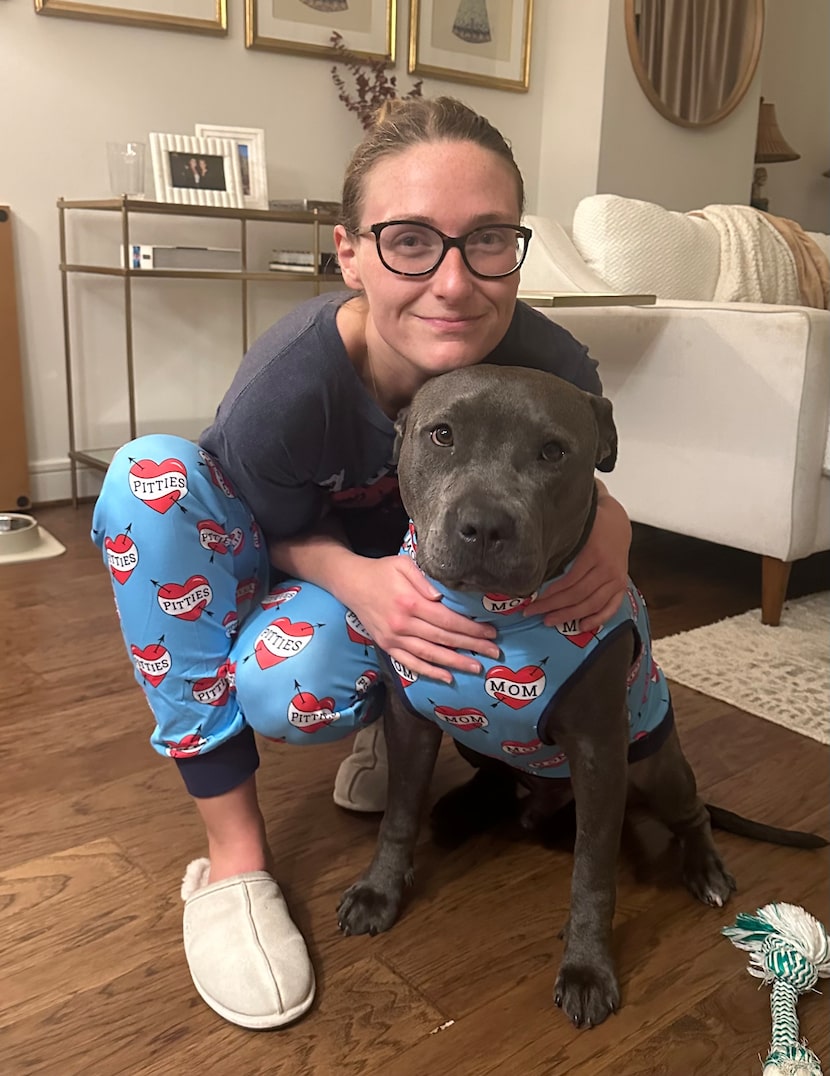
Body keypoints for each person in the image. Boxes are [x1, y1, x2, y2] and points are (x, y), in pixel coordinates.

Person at [91, 96, 633, 1031]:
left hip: (436, 582)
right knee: (158, 493)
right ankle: (234, 865)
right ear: (348, 253)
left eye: (488, 239)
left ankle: (406, 715)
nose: (455, 283)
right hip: (302, 568)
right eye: (410, 241)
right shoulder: (290, 387)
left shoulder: (550, 361)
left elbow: (583, 474)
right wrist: (354, 581)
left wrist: (617, 524)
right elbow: (256, 537)